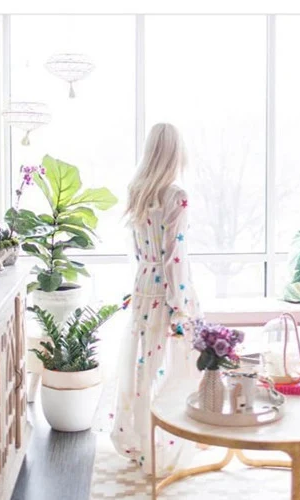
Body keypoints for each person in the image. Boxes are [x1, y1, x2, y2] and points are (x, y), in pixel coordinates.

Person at [110, 123, 201, 477]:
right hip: (167, 289)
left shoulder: (138, 191)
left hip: (144, 283)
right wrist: (180, 306)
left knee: (144, 367)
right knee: (173, 368)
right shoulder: (175, 196)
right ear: (176, 152)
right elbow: (175, 256)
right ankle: (166, 442)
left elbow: (139, 251)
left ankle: (141, 439)